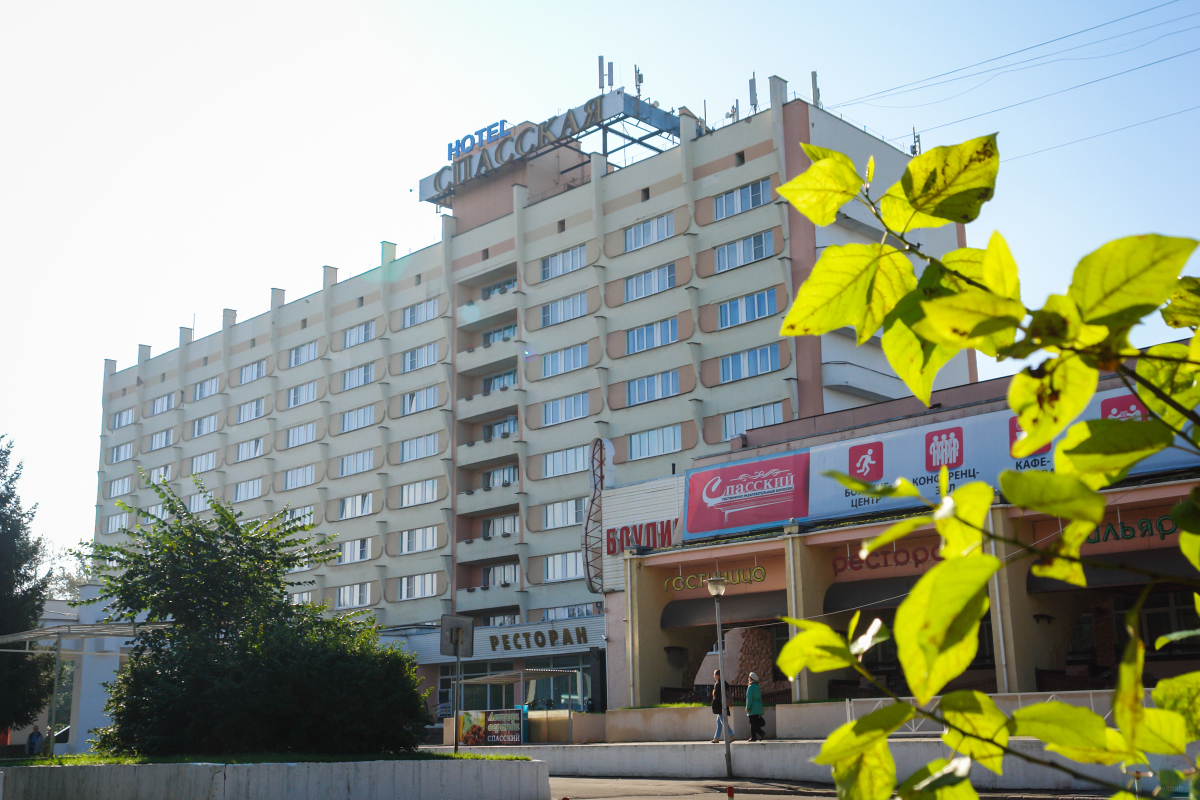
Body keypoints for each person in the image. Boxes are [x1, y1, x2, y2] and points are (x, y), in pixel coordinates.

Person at [710, 669, 730, 743]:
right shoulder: (724, 683)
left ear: (718, 675)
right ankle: (717, 737)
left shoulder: (719, 684)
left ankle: (731, 735)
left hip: (720, 705)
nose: (714, 676)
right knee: (719, 722)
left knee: (723, 721)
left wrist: (714, 703)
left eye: (715, 674)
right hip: (723, 704)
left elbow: (717, 697)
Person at [745, 673, 766, 742]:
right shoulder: (757, 687)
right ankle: (753, 737)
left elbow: (749, 698)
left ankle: (761, 733)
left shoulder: (750, 687)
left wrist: (748, 708)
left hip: (752, 707)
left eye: (749, 678)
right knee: (754, 722)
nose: (748, 679)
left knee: (752, 722)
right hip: (758, 707)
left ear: (751, 679)